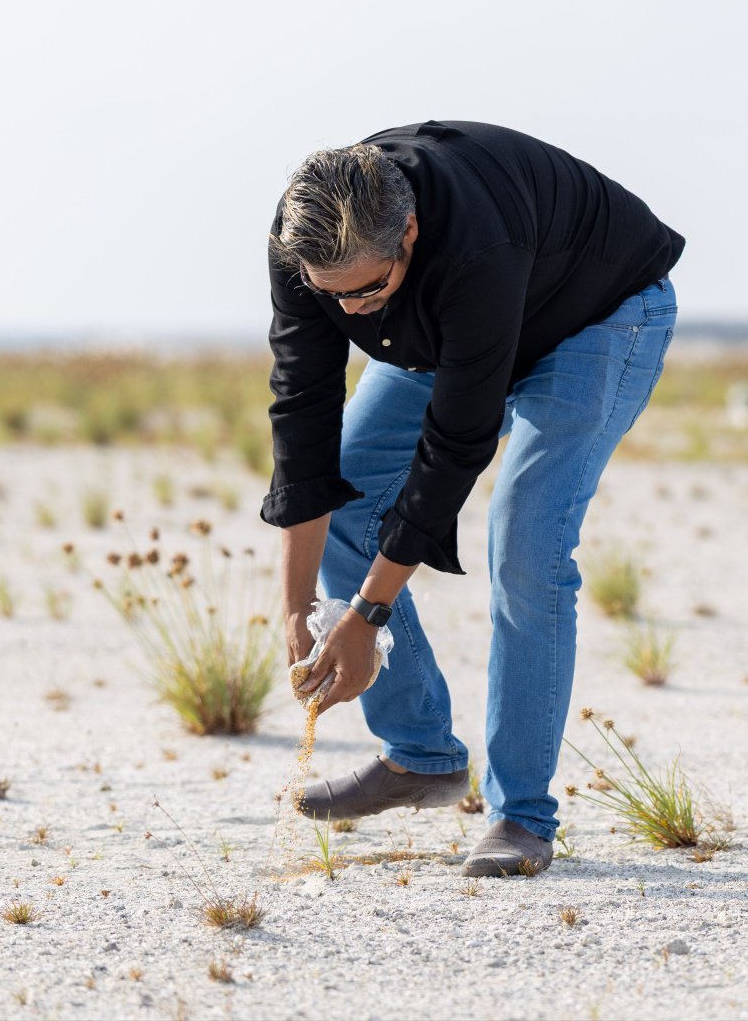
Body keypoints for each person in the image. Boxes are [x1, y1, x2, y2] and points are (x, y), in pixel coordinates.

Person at [262, 121, 682, 876]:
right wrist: (297, 605)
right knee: (351, 493)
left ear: (409, 233)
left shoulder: (474, 244)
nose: (351, 312)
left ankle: (521, 816)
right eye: (332, 296)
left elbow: (455, 449)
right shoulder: (307, 237)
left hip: (597, 315)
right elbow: (303, 412)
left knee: (525, 542)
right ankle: (420, 755)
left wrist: (367, 615)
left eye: (367, 290)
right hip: (449, 324)